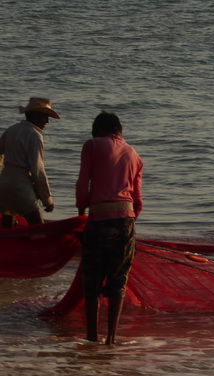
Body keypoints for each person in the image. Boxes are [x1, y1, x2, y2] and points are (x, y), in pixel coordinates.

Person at [76, 111, 143, 346]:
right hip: (126, 222)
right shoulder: (135, 155)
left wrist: (80, 212)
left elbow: (83, 184)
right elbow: (138, 201)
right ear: (119, 131)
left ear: (100, 132)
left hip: (99, 220)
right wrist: (128, 223)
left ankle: (92, 337)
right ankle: (111, 339)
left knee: (92, 281)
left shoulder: (92, 146)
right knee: (118, 280)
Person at [0, 97, 60, 228]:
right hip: (20, 186)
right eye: (44, 117)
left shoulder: (11, 129)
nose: (47, 121)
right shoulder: (35, 135)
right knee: (38, 227)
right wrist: (47, 200)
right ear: (33, 115)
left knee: (7, 222)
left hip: (3, 183)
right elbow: (38, 171)